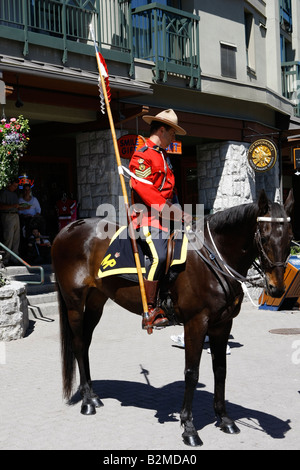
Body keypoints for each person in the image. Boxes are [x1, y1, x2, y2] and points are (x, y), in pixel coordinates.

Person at [129, 109, 192, 330]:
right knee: (159, 256)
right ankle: (150, 310)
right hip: (147, 218)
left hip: (167, 216)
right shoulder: (142, 155)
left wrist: (182, 213)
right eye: (173, 134)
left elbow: (170, 191)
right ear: (162, 130)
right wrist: (172, 212)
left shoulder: (164, 156)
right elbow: (146, 191)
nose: (174, 139)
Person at [0, 178, 22, 265]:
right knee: (8, 236)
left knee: (16, 237)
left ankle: (14, 257)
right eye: (14, 186)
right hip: (7, 215)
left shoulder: (14, 194)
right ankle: (6, 258)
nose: (15, 188)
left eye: (16, 186)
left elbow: (16, 206)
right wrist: (13, 205)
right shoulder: (4, 193)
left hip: (16, 215)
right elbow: (1, 206)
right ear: (10, 184)